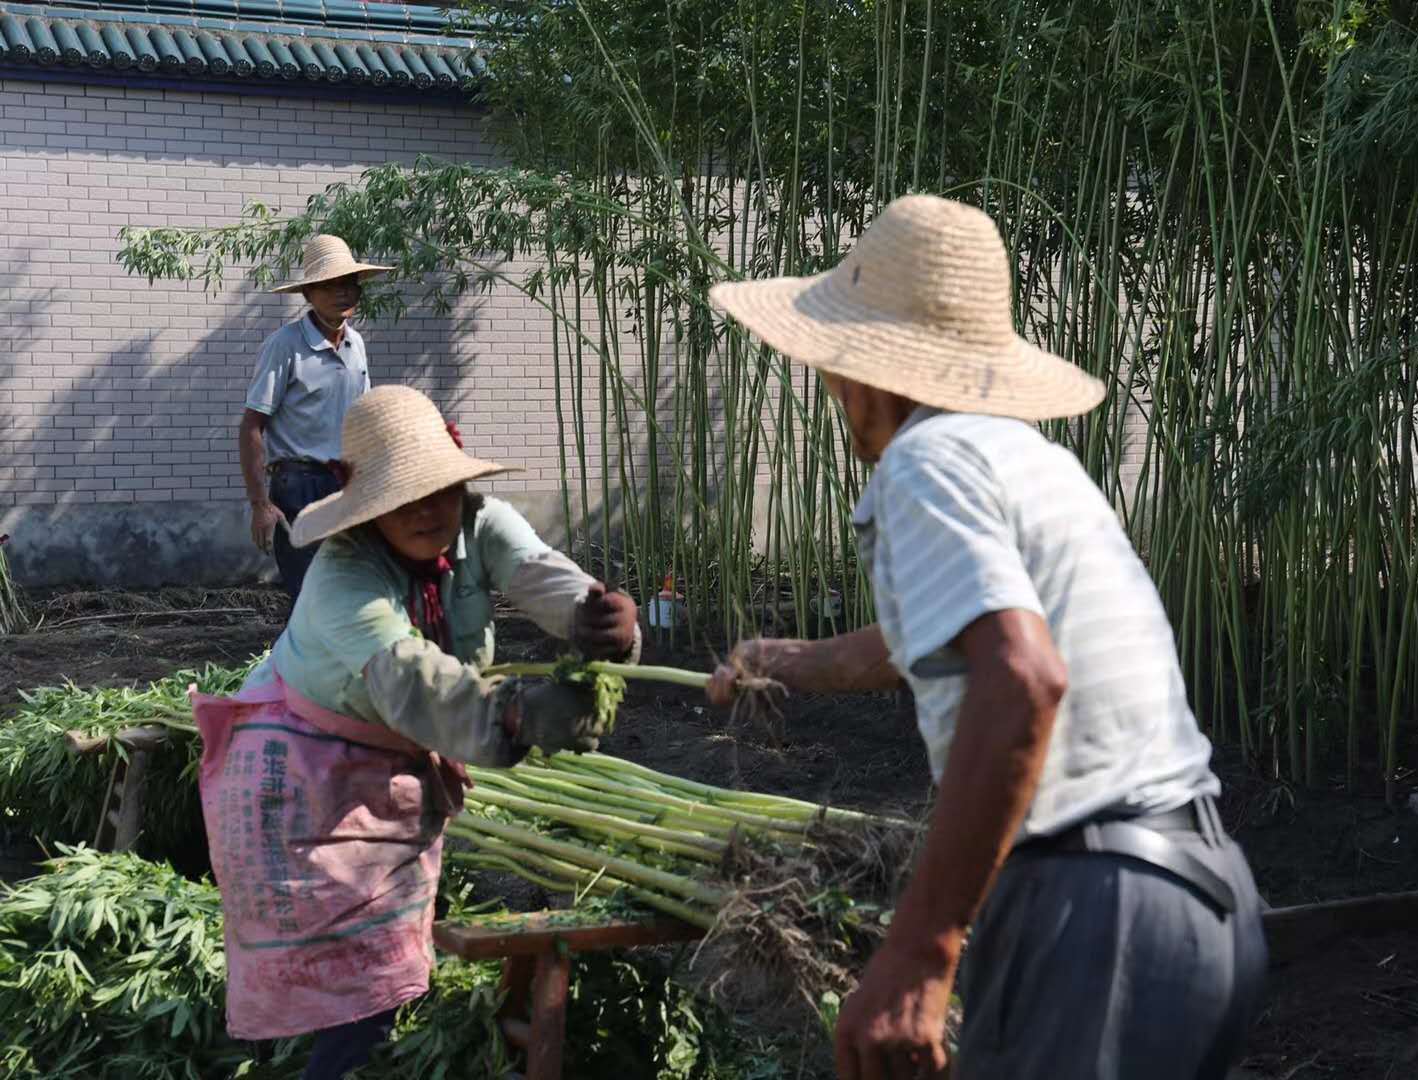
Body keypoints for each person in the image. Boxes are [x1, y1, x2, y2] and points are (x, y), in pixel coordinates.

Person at [706, 194, 1267, 1080]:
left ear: (863, 369)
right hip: (1199, 896)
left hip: (1093, 912)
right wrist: (777, 661)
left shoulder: (923, 464)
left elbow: (1022, 681)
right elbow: (932, 644)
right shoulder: (1020, 457)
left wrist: (919, 953)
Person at [192, 385, 640, 1079]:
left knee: (376, 972)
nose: (430, 509)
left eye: (440, 488)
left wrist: (603, 621)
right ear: (366, 504)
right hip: (300, 778)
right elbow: (414, 682)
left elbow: (546, 577)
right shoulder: (344, 578)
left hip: (386, 757)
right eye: (406, 496)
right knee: (354, 990)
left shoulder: (480, 521)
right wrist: (519, 714)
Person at [241, 234, 389, 602]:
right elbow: (252, 426)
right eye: (330, 286)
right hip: (299, 485)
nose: (343, 293)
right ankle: (301, 660)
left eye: (349, 284)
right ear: (308, 293)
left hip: (347, 482)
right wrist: (260, 503)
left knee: (353, 592)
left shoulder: (357, 346)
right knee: (312, 598)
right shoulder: (285, 346)